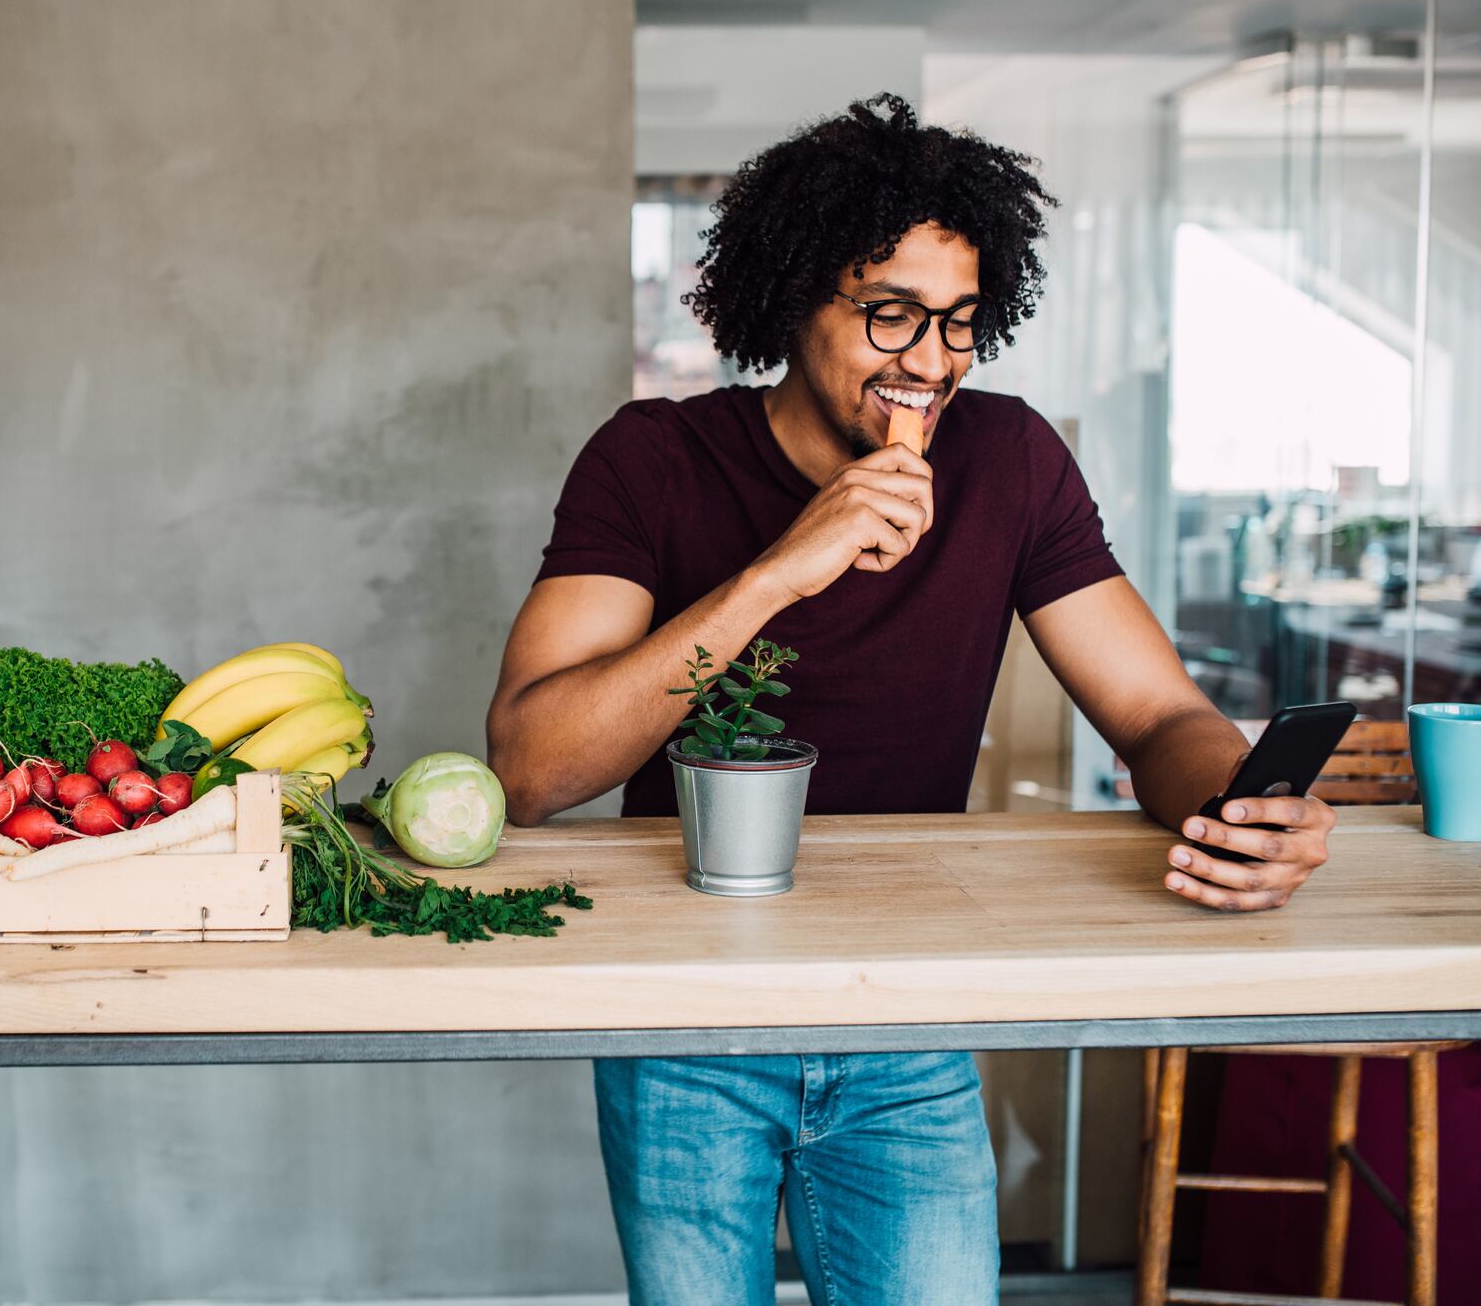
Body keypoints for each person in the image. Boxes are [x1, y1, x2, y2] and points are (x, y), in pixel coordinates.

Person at [484, 95, 1338, 1306]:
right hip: (686, 1008)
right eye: (890, 313)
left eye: (958, 323)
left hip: (908, 1007)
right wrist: (783, 567)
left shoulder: (1010, 459)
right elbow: (529, 767)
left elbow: (1156, 715)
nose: (930, 361)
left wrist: (1238, 803)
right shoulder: (651, 458)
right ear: (791, 298)